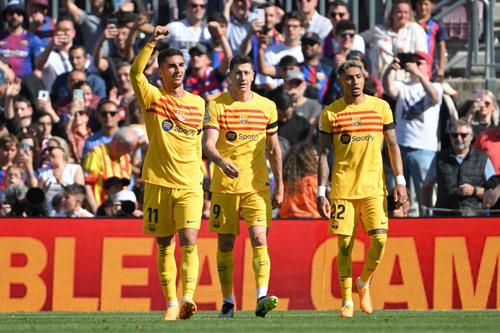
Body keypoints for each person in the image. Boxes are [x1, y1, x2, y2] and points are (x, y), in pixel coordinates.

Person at [317, 60, 408, 318]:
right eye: (348, 78)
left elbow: (392, 146)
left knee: (379, 239)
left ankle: (364, 282)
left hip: (373, 188)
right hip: (343, 189)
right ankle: (347, 300)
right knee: (344, 245)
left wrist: (400, 182)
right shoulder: (330, 113)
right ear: (340, 81)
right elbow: (323, 154)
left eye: (358, 76)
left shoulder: (380, 107)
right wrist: (321, 191)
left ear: (365, 78)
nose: (354, 82)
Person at [130, 26, 206, 321]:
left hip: (190, 183)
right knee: (164, 244)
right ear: (160, 71)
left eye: (180, 66)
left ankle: (187, 297)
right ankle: (171, 303)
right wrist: (150, 43)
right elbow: (135, 74)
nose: (177, 71)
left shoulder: (199, 104)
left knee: (189, 239)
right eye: (170, 66)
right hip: (157, 183)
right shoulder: (152, 98)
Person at [203, 55, 284, 318]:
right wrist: (221, 161)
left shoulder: (267, 106)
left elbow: (274, 149)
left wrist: (279, 184)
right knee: (225, 244)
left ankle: (261, 296)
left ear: (253, 76)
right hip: (225, 186)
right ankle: (227, 302)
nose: (243, 78)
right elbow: (208, 144)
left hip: (256, 186)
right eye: (237, 72)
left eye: (247, 73)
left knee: (259, 238)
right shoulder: (216, 105)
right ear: (229, 75)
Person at [382, 51, 442, 216]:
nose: (415, 65)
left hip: (424, 149)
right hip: (401, 147)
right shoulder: (403, 85)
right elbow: (388, 88)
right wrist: (389, 69)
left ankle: (426, 222)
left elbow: (434, 97)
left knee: (425, 191)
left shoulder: (436, 86)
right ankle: (401, 223)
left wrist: (419, 74)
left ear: (428, 66)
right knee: (399, 192)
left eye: (419, 62)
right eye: (413, 62)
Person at [421, 119, 495, 217]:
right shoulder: (440, 158)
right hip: (444, 217)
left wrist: (474, 190)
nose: (459, 138)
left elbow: (493, 192)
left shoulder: (483, 159)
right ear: (450, 137)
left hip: (475, 218)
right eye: (454, 135)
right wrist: (426, 213)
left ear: (471, 137)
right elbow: (427, 186)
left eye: (463, 135)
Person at [82, 126, 138, 213]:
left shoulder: (126, 157)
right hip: (100, 211)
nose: (129, 152)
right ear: (119, 143)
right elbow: (87, 185)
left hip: (120, 213)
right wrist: (95, 209)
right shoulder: (96, 154)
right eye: (129, 148)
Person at [0, 0, 44, 77]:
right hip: (3, 84)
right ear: (5, 16)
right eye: (11, 13)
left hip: (25, 84)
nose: (14, 16)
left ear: (24, 17)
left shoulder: (33, 39)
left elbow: (38, 65)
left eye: (19, 13)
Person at [279, 143, 321, 219]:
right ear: (309, 159)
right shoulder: (314, 182)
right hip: (313, 222)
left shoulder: (283, 184)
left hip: (286, 222)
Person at [415, 0, 448, 80]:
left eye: (426, 4)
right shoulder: (411, 23)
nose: (423, 7)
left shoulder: (436, 25)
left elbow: (441, 47)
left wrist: (441, 68)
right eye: (420, 4)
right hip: (413, 68)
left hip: (430, 70)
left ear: (432, 5)